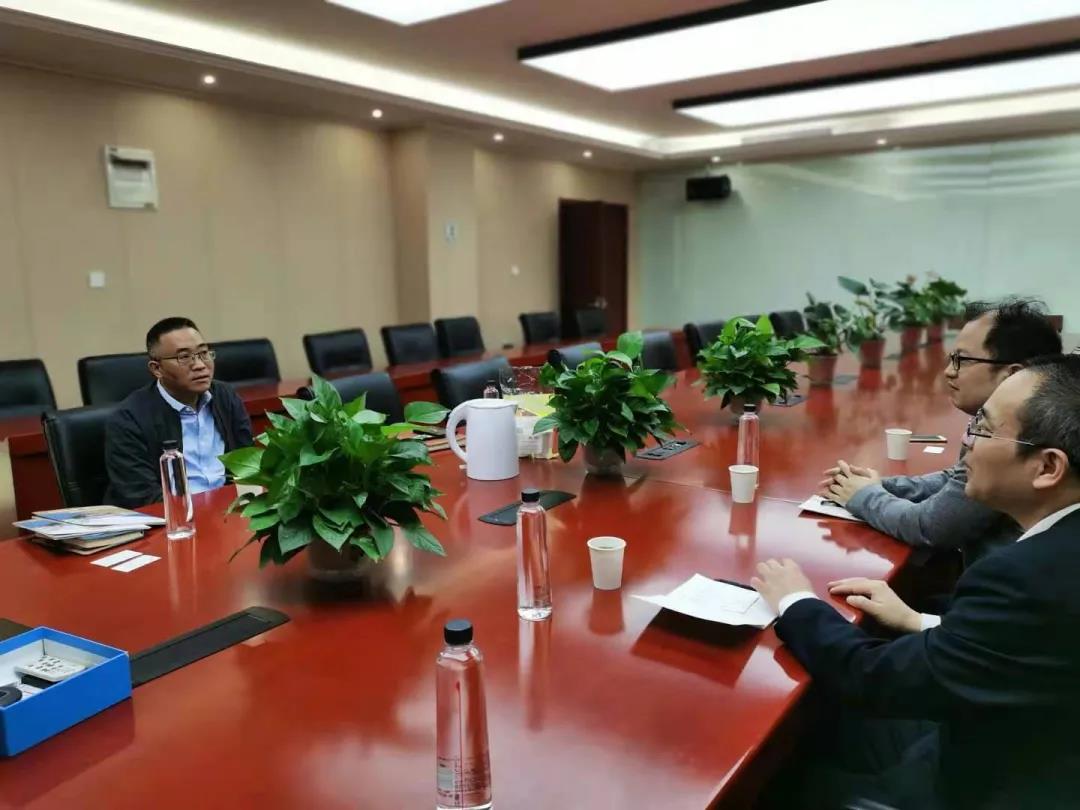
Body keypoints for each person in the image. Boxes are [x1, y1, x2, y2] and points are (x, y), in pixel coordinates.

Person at [753, 355, 1080, 809]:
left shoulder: (1027, 576)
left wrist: (795, 601)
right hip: (1022, 733)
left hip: (987, 780)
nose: (966, 443)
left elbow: (875, 680)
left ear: (1047, 467)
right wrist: (920, 621)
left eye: (983, 429)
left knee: (780, 777)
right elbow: (1021, 643)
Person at [818, 298, 1061, 566]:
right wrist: (882, 485)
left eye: (961, 360)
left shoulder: (1014, 439)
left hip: (994, 586)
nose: (948, 372)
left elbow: (931, 526)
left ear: (1013, 375)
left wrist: (863, 496)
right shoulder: (1010, 418)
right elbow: (958, 477)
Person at [104, 317, 253, 508]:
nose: (200, 365)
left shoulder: (225, 397)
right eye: (184, 357)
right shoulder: (128, 419)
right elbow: (142, 495)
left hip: (229, 510)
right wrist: (196, 514)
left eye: (203, 353)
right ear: (157, 369)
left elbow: (247, 463)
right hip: (175, 517)